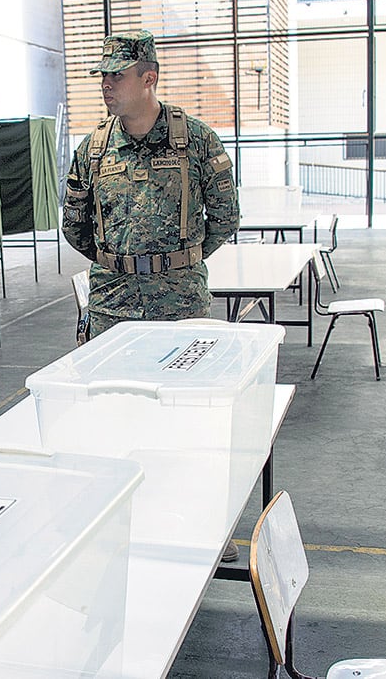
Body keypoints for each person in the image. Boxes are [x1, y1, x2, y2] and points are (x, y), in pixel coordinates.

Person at [61, 29, 241, 560]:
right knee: (113, 421)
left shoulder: (197, 140)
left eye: (117, 76)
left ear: (149, 79)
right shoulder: (92, 149)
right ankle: (121, 522)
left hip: (180, 306)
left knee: (190, 420)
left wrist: (174, 266)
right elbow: (74, 227)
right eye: (103, 77)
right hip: (112, 309)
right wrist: (122, 266)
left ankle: (207, 523)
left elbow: (225, 217)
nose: (106, 86)